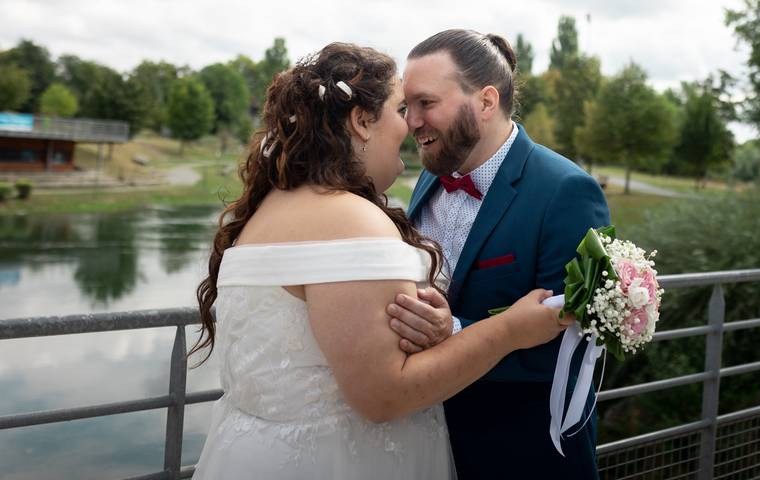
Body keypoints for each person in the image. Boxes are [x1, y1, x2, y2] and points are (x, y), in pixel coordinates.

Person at [190, 42, 571, 480]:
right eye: (400, 108)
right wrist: (509, 329)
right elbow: (384, 396)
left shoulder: (266, 209)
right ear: (361, 122)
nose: (410, 124)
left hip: (250, 452)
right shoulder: (352, 220)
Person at [388, 29, 610, 479]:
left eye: (426, 103)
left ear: (486, 101)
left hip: (522, 453)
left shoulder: (566, 191)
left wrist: (450, 331)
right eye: (406, 106)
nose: (411, 121)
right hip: (425, 441)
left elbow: (571, 344)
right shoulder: (431, 177)